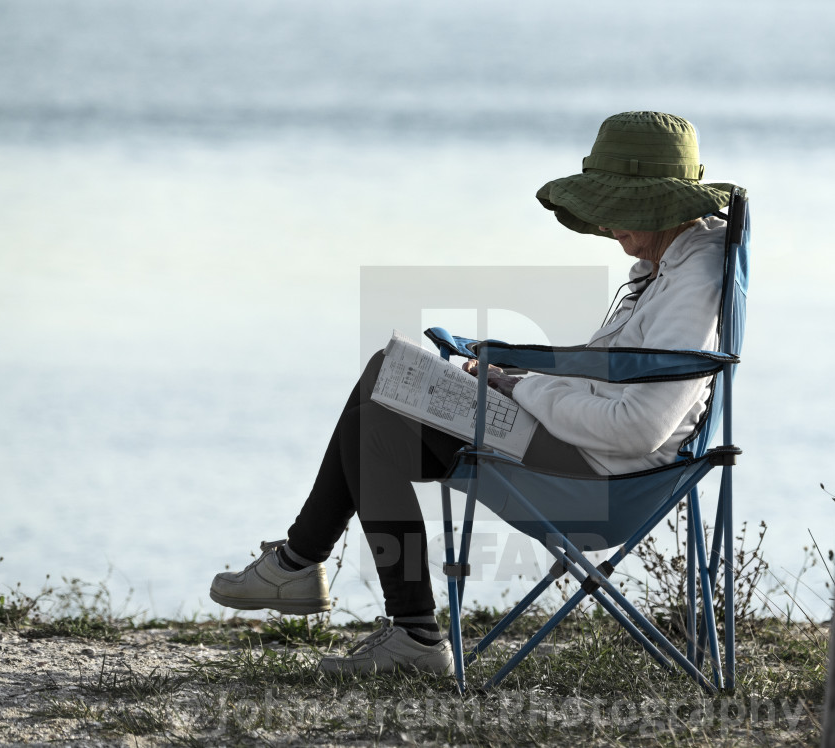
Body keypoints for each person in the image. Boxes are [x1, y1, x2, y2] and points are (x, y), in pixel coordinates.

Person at [209, 111, 739, 676]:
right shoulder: (668, 264)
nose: (610, 227)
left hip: (603, 480)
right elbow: (608, 376)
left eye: (620, 211)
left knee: (377, 417)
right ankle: (326, 578)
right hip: (579, 445)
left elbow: (639, 427)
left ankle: (330, 581)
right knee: (386, 375)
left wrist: (522, 387)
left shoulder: (693, 281)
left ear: (660, 204)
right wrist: (505, 377)